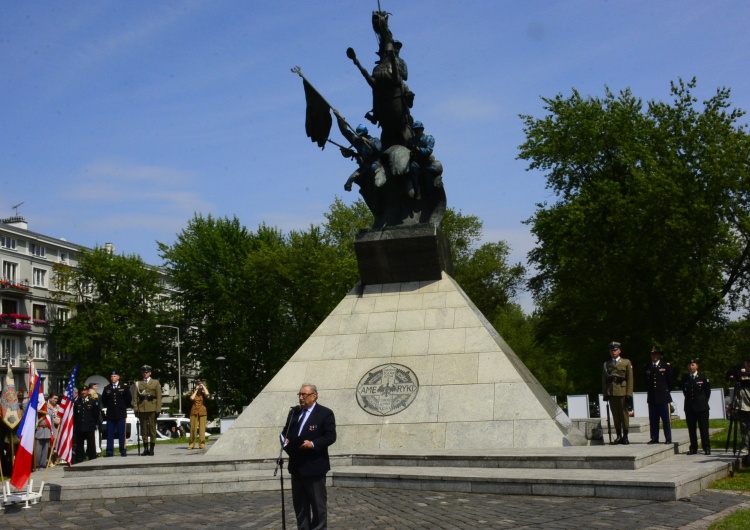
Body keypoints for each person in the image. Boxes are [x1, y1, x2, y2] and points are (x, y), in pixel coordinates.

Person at [282, 384, 337, 530]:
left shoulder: (325, 413)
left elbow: (330, 437)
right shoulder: (294, 413)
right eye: (299, 394)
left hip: (314, 467)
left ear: (314, 396)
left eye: (304, 395)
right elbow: (285, 432)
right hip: (296, 466)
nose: (301, 397)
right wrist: (284, 440)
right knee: (300, 507)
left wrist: (312, 444)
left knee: (318, 507)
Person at [602, 341, 634, 444]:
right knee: (615, 416)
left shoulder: (626, 362)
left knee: (624, 415)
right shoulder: (607, 364)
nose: (613, 352)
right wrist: (605, 393)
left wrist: (629, 394)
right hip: (611, 393)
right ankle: (618, 436)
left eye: (615, 350)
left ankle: (625, 436)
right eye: (612, 350)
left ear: (619, 351)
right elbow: (604, 380)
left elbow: (630, 379)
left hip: (622, 392)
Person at [406, 120, 443, 201]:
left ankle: (431, 196)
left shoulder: (429, 138)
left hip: (427, 164)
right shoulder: (411, 141)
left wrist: (419, 149)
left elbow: (428, 151)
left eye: (418, 130)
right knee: (412, 168)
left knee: (429, 179)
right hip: (417, 163)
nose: (416, 132)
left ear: (422, 130)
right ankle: (417, 191)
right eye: (415, 130)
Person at [644, 346, 674, 444]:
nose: (654, 356)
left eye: (656, 354)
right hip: (652, 397)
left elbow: (670, 382)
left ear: (660, 355)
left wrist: (665, 392)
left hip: (663, 397)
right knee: (653, 419)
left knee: (665, 419)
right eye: (653, 354)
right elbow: (645, 381)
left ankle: (668, 438)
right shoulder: (647, 367)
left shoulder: (665, 366)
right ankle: (654, 437)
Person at [683, 358, 711, 455]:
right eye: (689, 365)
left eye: (693, 365)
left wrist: (702, 401)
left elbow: (707, 392)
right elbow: (685, 392)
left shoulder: (703, 377)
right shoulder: (686, 378)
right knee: (691, 428)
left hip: (701, 407)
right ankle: (693, 448)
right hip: (690, 407)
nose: (691, 367)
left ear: (697, 366)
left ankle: (706, 447)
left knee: (704, 428)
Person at [132, 365, 162, 456]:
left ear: (150, 373)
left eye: (147, 372)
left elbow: (159, 397)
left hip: (152, 408)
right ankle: (145, 448)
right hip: (142, 408)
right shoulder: (138, 383)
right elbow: (135, 397)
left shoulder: (155, 382)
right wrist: (136, 408)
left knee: (152, 429)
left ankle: (152, 448)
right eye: (144, 372)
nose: (145, 374)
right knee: (144, 429)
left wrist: (158, 409)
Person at [101, 370, 131, 457]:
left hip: (121, 413)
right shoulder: (107, 388)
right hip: (111, 413)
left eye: (114, 376)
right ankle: (109, 451)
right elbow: (104, 400)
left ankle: (123, 449)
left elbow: (128, 399)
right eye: (111, 376)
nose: (112, 378)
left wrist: (123, 407)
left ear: (118, 377)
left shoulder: (124, 387)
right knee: (110, 433)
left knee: (121, 432)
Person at [73, 385, 101, 463]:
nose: (83, 392)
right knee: (79, 445)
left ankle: (92, 457)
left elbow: (95, 415)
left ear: (88, 392)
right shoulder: (77, 402)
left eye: (85, 391)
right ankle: (80, 459)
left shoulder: (93, 402)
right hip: (79, 427)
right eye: (82, 391)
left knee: (91, 444)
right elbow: (75, 415)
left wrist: (93, 424)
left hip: (89, 427)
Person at [34, 395, 53, 469]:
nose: (45, 401)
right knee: (38, 451)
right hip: (39, 431)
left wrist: (52, 433)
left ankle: (43, 465)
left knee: (45, 451)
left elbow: (51, 421)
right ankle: (36, 465)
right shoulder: (37, 409)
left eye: (46, 400)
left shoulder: (49, 410)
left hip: (47, 431)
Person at [189, 382, 209, 450]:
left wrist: (203, 386)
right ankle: (191, 444)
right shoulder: (194, 394)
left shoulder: (203, 394)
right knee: (193, 429)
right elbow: (191, 398)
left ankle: (202, 444)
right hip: (194, 411)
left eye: (200, 387)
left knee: (202, 429)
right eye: (198, 386)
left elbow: (207, 394)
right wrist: (196, 390)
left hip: (202, 411)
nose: (199, 388)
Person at [88, 382, 103, 456]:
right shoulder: (88, 396)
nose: (96, 387)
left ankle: (98, 448)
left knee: (98, 434)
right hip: (90, 418)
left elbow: (101, 405)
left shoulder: (99, 396)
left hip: (98, 418)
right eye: (95, 386)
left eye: (96, 386)